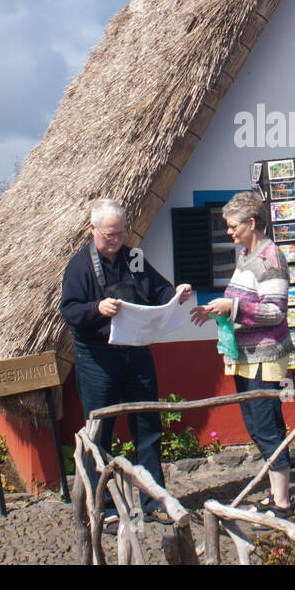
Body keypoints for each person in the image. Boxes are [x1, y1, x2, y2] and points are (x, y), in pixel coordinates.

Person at [59, 197, 191, 516]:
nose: (116, 241)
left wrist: (177, 294)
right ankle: (100, 505)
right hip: (97, 357)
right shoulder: (79, 266)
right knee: (99, 431)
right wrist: (96, 308)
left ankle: (152, 499)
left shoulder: (133, 258)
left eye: (120, 234)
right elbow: (69, 310)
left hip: (136, 353)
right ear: (92, 230)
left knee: (148, 424)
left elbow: (158, 290)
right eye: (109, 235)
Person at [189, 191, 292, 512]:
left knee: (267, 425)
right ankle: (276, 493)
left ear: (251, 223)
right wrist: (216, 310)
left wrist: (231, 306)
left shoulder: (269, 257)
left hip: (265, 356)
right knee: (257, 425)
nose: (229, 232)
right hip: (247, 356)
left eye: (233, 226)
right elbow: (243, 301)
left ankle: (283, 501)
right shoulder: (247, 256)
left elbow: (275, 312)